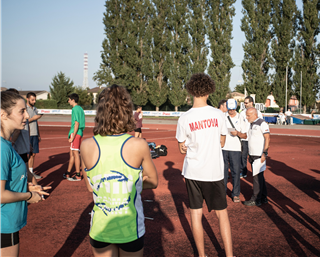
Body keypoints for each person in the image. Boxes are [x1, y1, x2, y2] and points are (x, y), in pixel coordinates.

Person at [80, 85, 158, 257]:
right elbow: (153, 181)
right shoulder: (138, 144)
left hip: (101, 227)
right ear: (126, 111)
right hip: (129, 227)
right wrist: (130, 183)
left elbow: (90, 187)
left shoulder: (85, 145)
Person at [175, 73, 233, 257]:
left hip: (193, 172)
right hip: (214, 172)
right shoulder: (218, 114)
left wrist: (187, 146)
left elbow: (181, 147)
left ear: (191, 91)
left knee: (195, 215)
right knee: (222, 215)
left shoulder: (184, 118)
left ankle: (201, 255)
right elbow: (222, 142)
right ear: (209, 92)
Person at [0, 91, 50, 257]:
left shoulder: (6, 145)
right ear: (3, 114)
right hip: (4, 223)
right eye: (21, 111)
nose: (27, 115)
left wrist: (24, 183)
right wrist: (28, 196)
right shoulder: (2, 148)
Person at [7, 89, 37, 184]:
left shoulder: (18, 113)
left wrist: (11, 143)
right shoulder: (22, 112)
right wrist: (28, 142)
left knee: (22, 172)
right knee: (26, 172)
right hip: (23, 146)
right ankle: (36, 191)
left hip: (18, 147)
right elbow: (27, 129)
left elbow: (17, 131)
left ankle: (33, 192)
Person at [243, 107, 270, 206]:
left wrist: (265, 153)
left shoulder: (262, 123)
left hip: (259, 155)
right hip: (253, 154)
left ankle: (256, 199)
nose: (246, 117)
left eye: (248, 115)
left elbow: (267, 138)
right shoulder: (251, 124)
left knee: (256, 178)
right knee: (260, 177)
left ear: (255, 114)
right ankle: (263, 197)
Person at [223, 99, 244, 203]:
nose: (231, 111)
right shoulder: (222, 116)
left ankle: (235, 194)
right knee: (223, 171)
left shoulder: (240, 117)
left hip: (235, 148)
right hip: (223, 147)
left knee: (235, 171)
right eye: (229, 109)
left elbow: (245, 133)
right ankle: (222, 193)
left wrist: (238, 133)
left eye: (233, 109)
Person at [63, 93, 85, 181]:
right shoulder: (80, 108)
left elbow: (76, 123)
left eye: (69, 99)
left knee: (75, 154)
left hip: (75, 133)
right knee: (72, 154)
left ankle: (78, 174)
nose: (68, 101)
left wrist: (73, 136)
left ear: (73, 100)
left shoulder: (75, 109)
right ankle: (68, 172)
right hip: (78, 133)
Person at [239, 96, 262, 178]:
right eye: (244, 103)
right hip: (245, 138)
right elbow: (240, 125)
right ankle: (243, 171)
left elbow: (261, 125)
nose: (245, 104)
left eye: (246, 102)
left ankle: (255, 172)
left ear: (251, 103)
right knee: (243, 156)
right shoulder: (242, 113)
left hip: (254, 138)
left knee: (254, 156)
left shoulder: (258, 113)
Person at [26, 92, 42, 179]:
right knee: (26, 154)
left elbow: (36, 123)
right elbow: (24, 121)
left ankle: (31, 172)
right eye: (32, 100)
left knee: (33, 154)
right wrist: (34, 118)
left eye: (35, 99)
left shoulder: (35, 109)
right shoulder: (24, 108)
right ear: (27, 99)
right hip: (27, 134)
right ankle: (25, 172)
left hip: (34, 134)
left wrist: (38, 134)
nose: (34, 101)